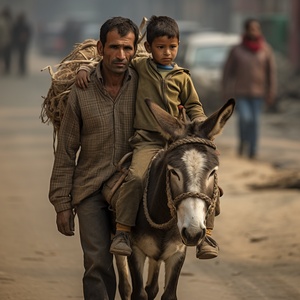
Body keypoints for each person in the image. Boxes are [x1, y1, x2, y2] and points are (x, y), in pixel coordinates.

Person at [76, 15, 221, 260]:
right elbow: (111, 63)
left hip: (177, 142)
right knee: (134, 178)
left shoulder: (183, 77)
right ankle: (123, 231)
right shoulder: (140, 67)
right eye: (161, 47)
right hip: (147, 140)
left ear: (179, 46)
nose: (167, 53)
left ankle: (205, 235)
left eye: (172, 47)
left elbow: (194, 106)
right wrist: (85, 68)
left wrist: (200, 130)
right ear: (148, 48)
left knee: (208, 181)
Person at [49, 17, 140, 300]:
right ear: (100, 48)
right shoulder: (81, 90)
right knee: (97, 264)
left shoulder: (145, 83)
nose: (121, 55)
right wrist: (61, 203)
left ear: (135, 50)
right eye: (114, 47)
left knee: (138, 269)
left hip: (133, 188)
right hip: (90, 190)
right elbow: (66, 149)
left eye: (127, 48)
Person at [222, 18, 277, 159]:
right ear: (246, 30)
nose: (254, 31)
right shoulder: (236, 50)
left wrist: (271, 91)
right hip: (241, 92)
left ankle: (252, 150)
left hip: (259, 93)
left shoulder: (266, 49)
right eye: (251, 28)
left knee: (255, 121)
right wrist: (225, 90)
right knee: (245, 119)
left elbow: (271, 73)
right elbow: (227, 72)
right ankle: (243, 142)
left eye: (256, 28)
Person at [0, 6, 13, 75]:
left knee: (7, 57)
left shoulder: (10, 21)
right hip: (3, 42)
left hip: (8, 42)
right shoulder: (2, 21)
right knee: (3, 56)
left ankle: (7, 69)